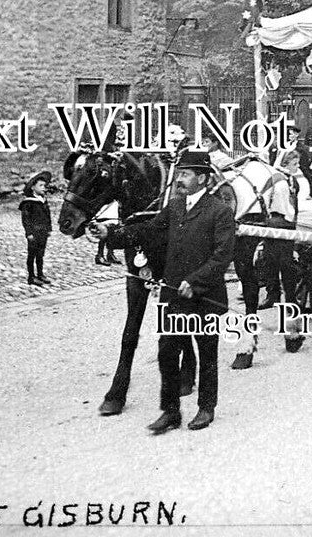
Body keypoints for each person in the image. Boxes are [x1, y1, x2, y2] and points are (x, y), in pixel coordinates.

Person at [114, 151, 236, 433]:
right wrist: (114, 234)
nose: (179, 179)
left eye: (185, 174)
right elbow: (150, 230)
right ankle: (170, 411)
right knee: (167, 352)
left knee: (206, 355)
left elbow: (222, 256)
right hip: (174, 298)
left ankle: (206, 407)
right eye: (179, 173)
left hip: (205, 299)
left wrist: (195, 280)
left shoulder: (220, 211)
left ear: (202, 178)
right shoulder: (175, 206)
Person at [20, 170, 53, 286]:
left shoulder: (43, 200)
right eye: (41, 185)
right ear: (33, 187)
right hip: (34, 233)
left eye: (45, 186)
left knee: (40, 254)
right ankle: (31, 276)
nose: (44, 188)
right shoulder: (28, 202)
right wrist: (28, 233)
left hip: (43, 232)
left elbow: (48, 216)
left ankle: (40, 274)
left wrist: (49, 229)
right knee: (32, 254)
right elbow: (25, 220)